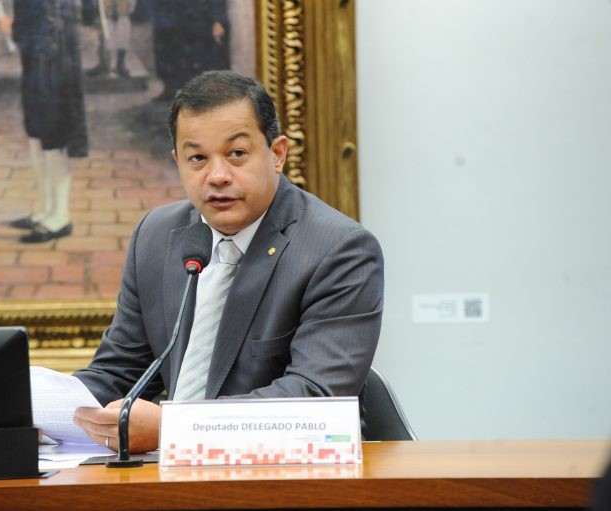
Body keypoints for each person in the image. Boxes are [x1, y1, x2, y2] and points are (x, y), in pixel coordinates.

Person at [72, 70, 384, 454]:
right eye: (197, 158)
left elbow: (315, 397)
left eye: (237, 154)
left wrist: (175, 429)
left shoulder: (339, 250)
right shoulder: (155, 235)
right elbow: (120, 371)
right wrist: (35, 413)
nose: (217, 176)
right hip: (166, 477)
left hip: (293, 477)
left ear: (277, 154)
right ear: (178, 161)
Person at [1, 0, 96, 243]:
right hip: (39, 53)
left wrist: (15, 30)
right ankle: (46, 210)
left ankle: (60, 216)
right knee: (37, 131)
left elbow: (52, 19)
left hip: (53, 57)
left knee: (53, 134)